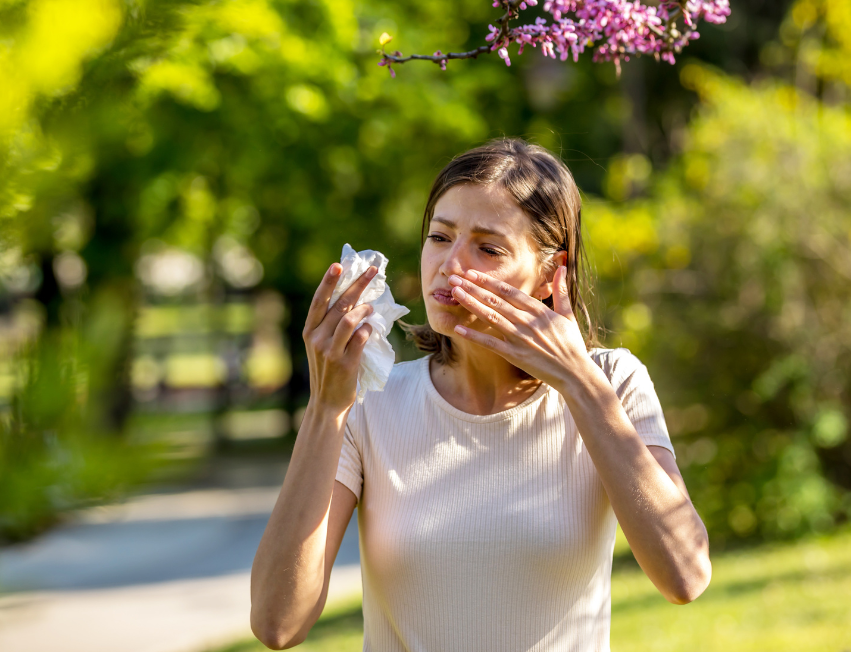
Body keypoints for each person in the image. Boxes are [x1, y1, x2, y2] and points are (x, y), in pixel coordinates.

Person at [250, 138, 711, 651]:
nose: (450, 263)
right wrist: (325, 407)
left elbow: (685, 576)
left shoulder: (612, 383)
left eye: (488, 248)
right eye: (439, 237)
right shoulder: (370, 403)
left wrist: (579, 382)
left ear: (550, 274)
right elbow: (277, 624)